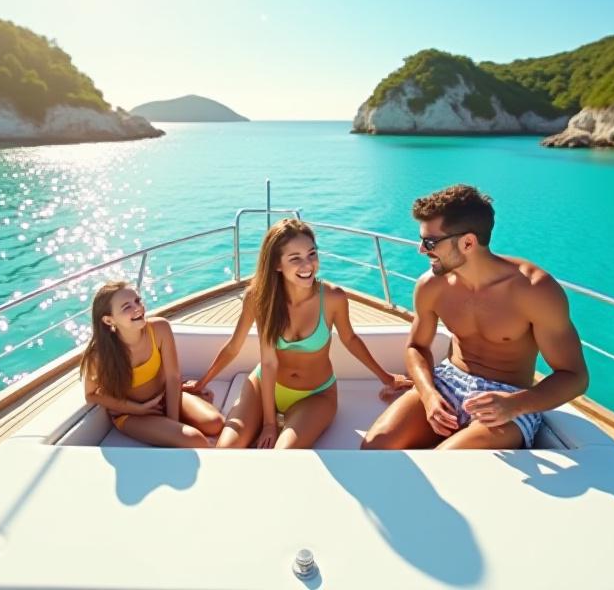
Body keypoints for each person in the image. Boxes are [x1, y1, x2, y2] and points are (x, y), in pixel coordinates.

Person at [362, 184, 588, 450]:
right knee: (373, 449)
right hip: (448, 380)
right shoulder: (431, 285)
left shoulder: (534, 290)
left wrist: (514, 404)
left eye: (430, 242)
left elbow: (575, 376)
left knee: (445, 464)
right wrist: (428, 393)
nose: (421, 250)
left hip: (511, 396)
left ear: (468, 242)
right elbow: (416, 347)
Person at [185, 219, 411, 449]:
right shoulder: (260, 298)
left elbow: (350, 339)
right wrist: (202, 384)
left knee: (284, 456)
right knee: (225, 451)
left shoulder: (333, 298)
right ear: (277, 264)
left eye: (312, 254)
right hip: (264, 384)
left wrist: (387, 378)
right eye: (295, 258)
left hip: (316, 395)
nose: (308, 265)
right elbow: (251, 354)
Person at [80, 280, 224, 447]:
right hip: (133, 415)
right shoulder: (99, 355)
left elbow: (172, 377)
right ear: (109, 320)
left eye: (137, 301)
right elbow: (91, 395)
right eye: (126, 307)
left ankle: (180, 414)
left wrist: (173, 423)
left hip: (164, 397)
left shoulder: (160, 328)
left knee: (216, 424)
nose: (137, 308)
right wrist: (137, 409)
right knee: (195, 440)